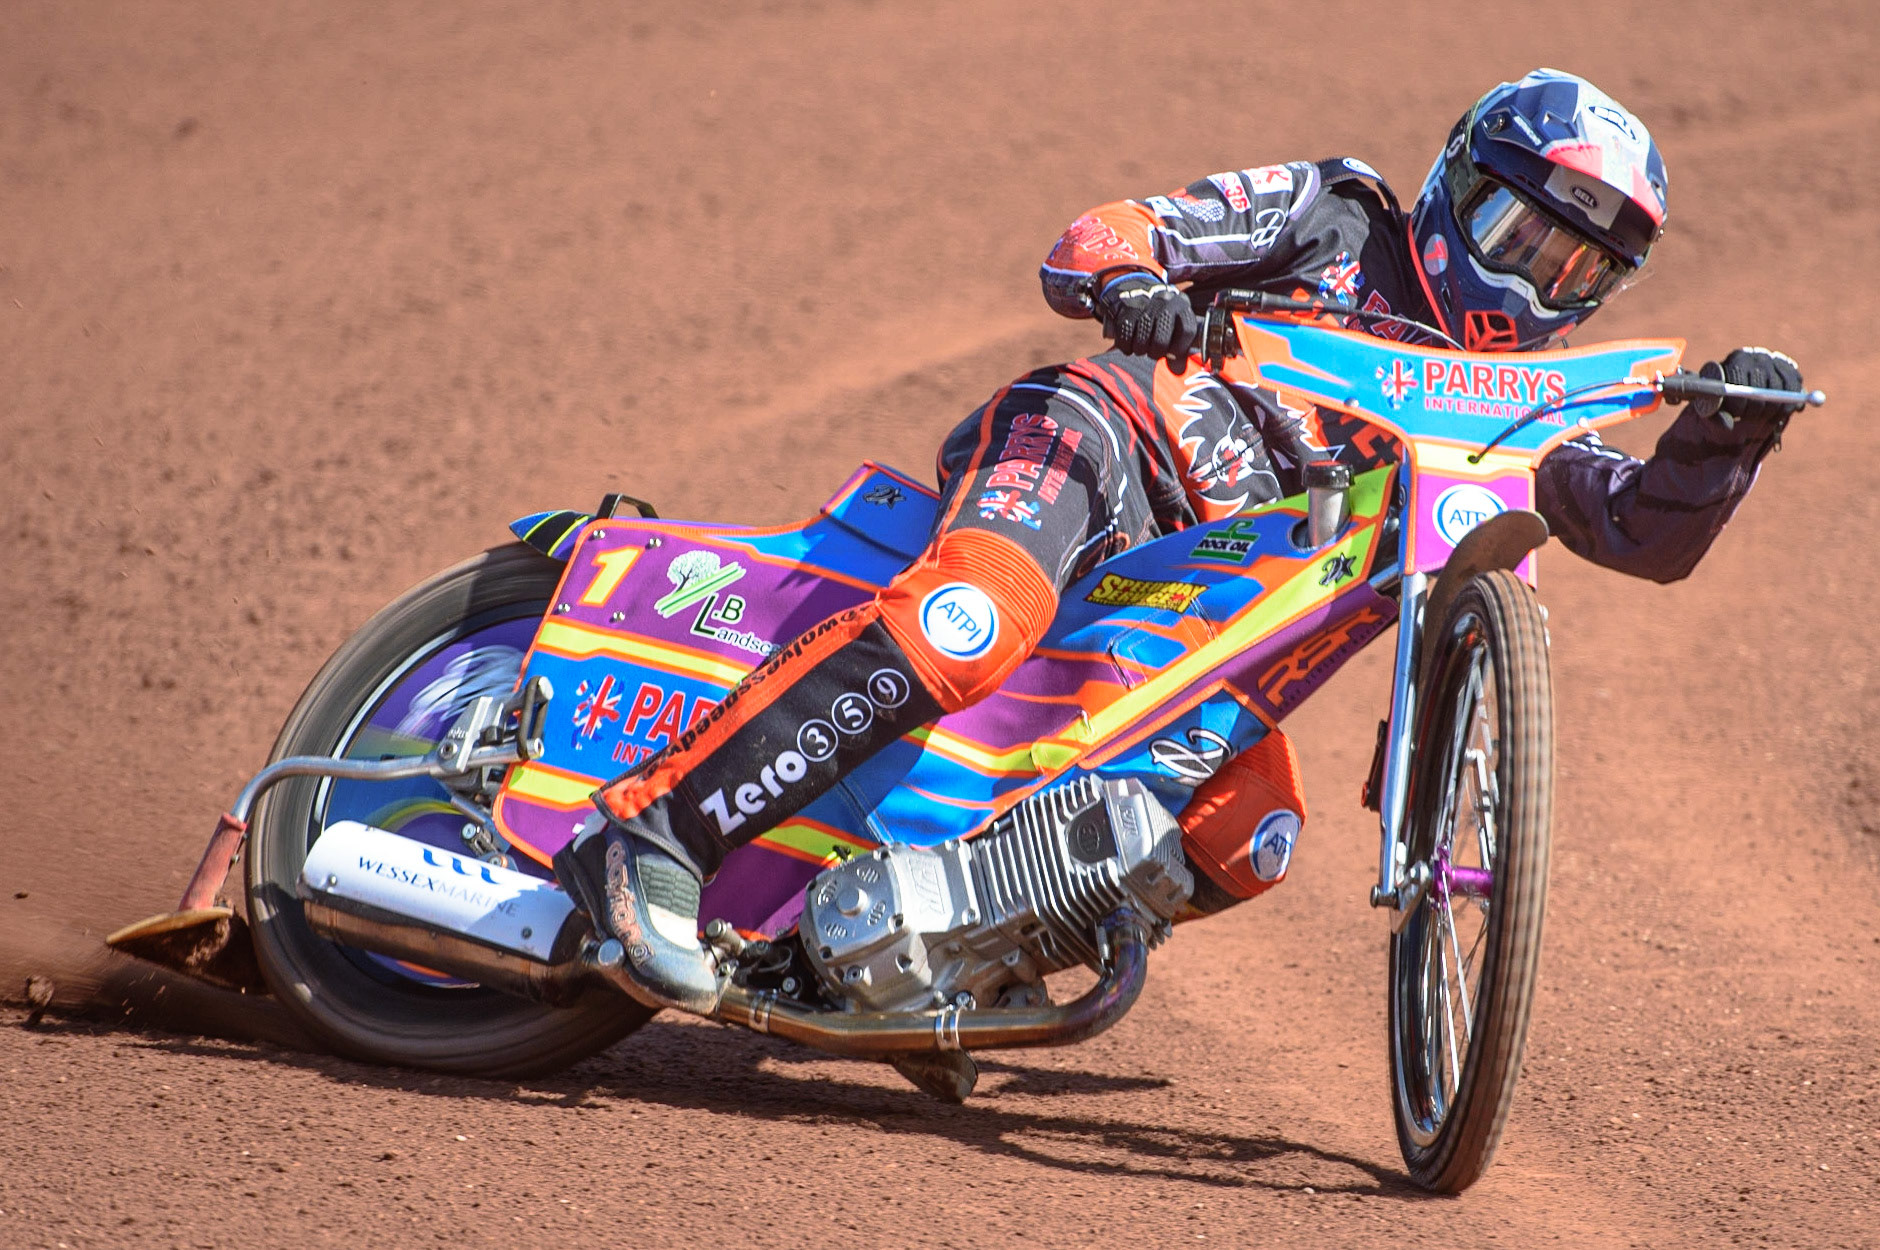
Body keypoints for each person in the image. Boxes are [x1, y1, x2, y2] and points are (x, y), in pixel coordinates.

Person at [554, 68, 1806, 1012]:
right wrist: (1133, 285)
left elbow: (1643, 531)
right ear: (1458, 192)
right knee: (970, 618)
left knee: (1241, 835)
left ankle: (908, 949)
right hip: (1098, 449)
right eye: (1524, 236)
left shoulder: (1514, 416)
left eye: (1577, 270)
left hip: (1189, 621)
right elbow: (1109, 228)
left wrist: (1720, 442)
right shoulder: (1334, 216)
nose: (1537, 284)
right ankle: (653, 832)